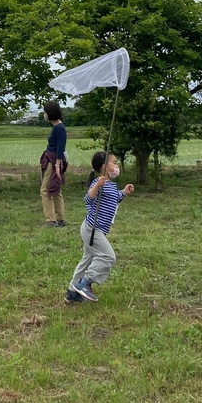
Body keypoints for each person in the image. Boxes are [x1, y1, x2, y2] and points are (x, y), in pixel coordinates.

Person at [65, 151, 134, 304]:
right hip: (92, 229)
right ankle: (85, 282)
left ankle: (72, 292)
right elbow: (88, 200)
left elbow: (114, 198)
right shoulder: (100, 183)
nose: (117, 166)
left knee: (87, 260)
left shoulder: (109, 185)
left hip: (96, 229)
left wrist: (124, 192)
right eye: (114, 163)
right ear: (104, 166)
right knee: (108, 257)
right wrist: (97, 185)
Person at [40, 101, 68, 227]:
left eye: (45, 112)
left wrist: (57, 165)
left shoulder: (59, 128)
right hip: (52, 160)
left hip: (53, 161)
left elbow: (60, 147)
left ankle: (51, 220)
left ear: (49, 113)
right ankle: (60, 218)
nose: (44, 114)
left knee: (45, 189)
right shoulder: (56, 127)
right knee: (55, 189)